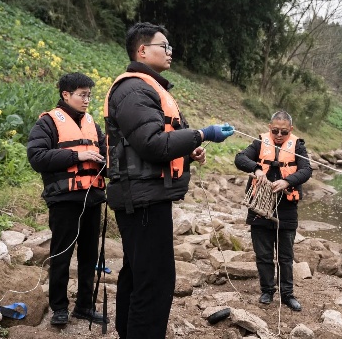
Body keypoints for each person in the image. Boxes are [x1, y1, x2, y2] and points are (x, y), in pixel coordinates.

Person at [104, 22, 234, 339]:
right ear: (142, 50)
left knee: (139, 273)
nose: (170, 52)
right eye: (165, 46)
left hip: (145, 196)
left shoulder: (146, 88)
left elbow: (150, 145)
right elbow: (151, 143)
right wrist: (203, 133)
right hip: (143, 200)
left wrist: (189, 152)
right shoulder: (134, 89)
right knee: (155, 281)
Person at [27, 72, 107, 326]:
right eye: (82, 95)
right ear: (66, 95)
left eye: (89, 96)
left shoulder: (92, 124)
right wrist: (78, 156)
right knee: (61, 254)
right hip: (64, 200)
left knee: (89, 256)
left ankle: (84, 306)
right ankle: (59, 307)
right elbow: (37, 157)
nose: (86, 101)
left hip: (92, 199)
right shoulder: (47, 123)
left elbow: (106, 152)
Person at [234, 110, 312, 312]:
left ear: (290, 130)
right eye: (275, 130)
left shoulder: (298, 146)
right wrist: (257, 169)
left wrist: (287, 180)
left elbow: (306, 170)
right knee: (263, 254)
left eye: (283, 132)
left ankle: (287, 294)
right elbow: (240, 158)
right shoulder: (259, 143)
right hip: (259, 206)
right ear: (270, 128)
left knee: (285, 256)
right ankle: (267, 290)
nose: (279, 135)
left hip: (286, 208)